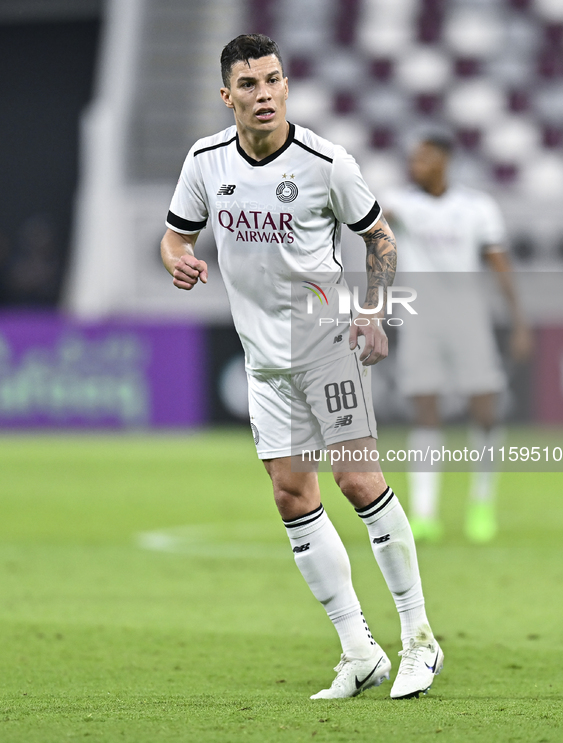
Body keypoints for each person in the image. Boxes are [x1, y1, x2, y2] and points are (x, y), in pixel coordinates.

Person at [160, 34, 442, 700]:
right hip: (263, 359)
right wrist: (174, 256)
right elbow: (176, 234)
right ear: (226, 95)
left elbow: (378, 235)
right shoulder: (203, 161)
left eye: (274, 80)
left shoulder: (325, 161)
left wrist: (372, 312)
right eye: (250, 85)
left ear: (287, 86)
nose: (264, 95)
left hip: (326, 343)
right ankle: (358, 650)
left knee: (355, 477)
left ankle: (419, 639)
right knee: (291, 494)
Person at [383, 134, 532, 544]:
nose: (416, 165)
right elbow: (370, 225)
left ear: (445, 161)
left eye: (425, 158)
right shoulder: (400, 203)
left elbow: (498, 262)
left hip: (469, 320)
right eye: (413, 158)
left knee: (485, 412)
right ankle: (424, 513)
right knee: (424, 411)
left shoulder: (477, 207)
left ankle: (481, 502)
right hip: (421, 321)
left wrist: (518, 320)